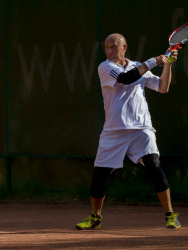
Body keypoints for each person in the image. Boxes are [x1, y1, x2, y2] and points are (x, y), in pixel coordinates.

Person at [75, 33, 181, 230]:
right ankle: (95, 218)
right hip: (114, 130)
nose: (109, 51)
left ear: (125, 47)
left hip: (141, 129)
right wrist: (155, 60)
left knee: (155, 167)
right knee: (99, 176)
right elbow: (125, 79)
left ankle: (170, 215)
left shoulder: (138, 66)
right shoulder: (105, 67)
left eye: (114, 47)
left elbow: (162, 87)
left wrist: (167, 64)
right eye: (107, 48)